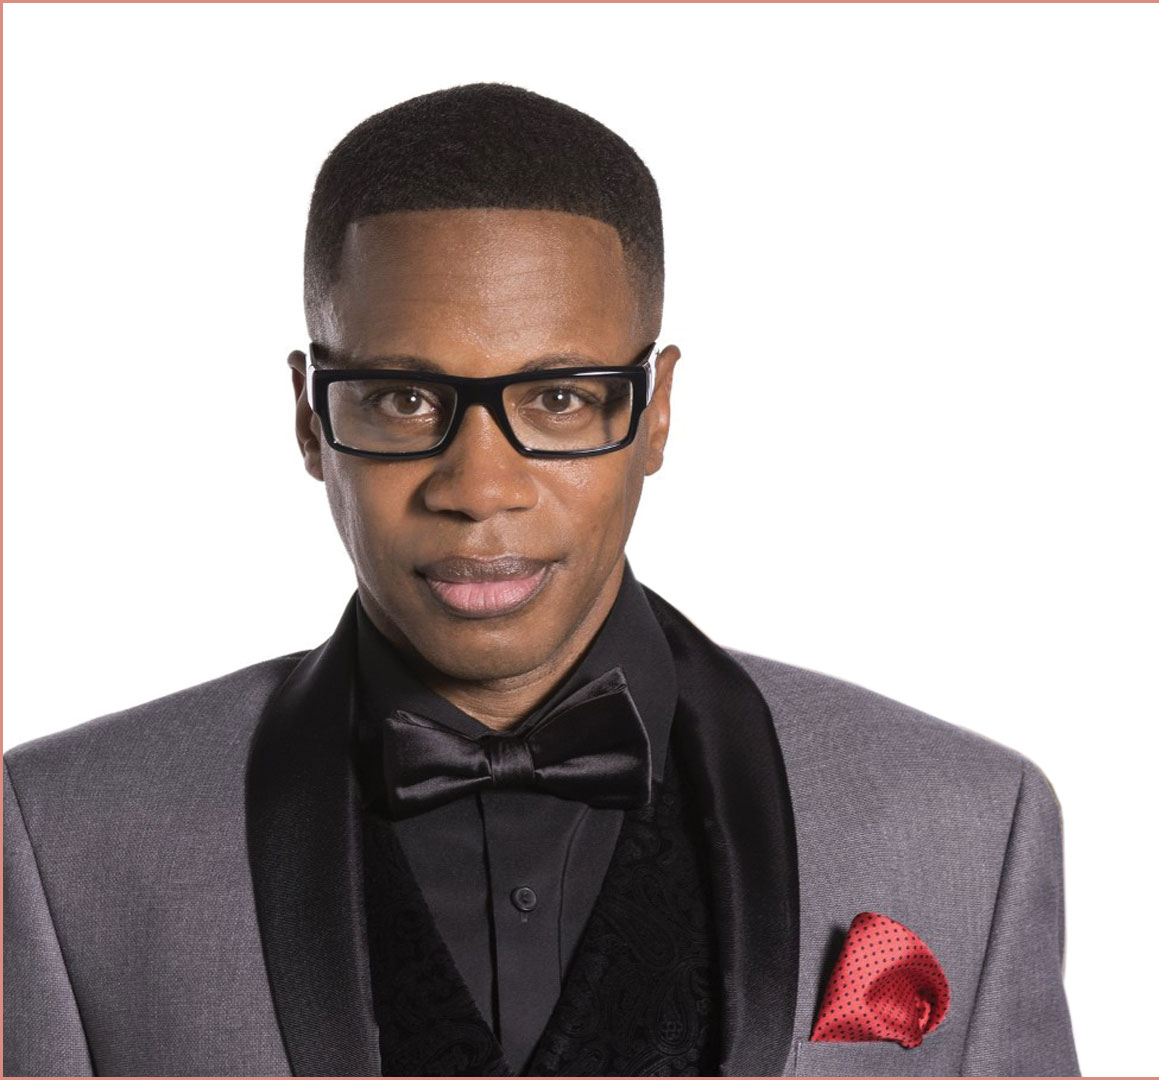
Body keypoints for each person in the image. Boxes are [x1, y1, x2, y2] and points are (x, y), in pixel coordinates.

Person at [2, 83, 1077, 1078]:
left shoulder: (967, 825)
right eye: (403, 401)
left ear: (654, 412)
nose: (479, 487)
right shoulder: (65, 840)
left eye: (559, 398)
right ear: (308, 418)